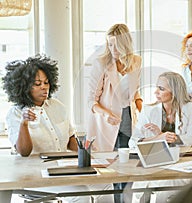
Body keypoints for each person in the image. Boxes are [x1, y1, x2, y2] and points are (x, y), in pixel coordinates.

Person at [3, 54, 113, 203]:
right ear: (23, 86)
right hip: (36, 175)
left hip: (64, 169)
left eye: (46, 82)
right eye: (37, 84)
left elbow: (70, 141)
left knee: (106, 184)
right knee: (81, 195)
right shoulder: (15, 113)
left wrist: (88, 152)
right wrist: (24, 123)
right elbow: (24, 151)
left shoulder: (58, 106)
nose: (44, 87)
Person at [86, 23, 142, 203]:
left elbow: (136, 93)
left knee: (127, 169)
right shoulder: (101, 63)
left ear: (125, 44)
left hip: (128, 118)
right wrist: (105, 114)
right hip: (106, 123)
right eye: (109, 44)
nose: (113, 49)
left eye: (116, 45)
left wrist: (144, 108)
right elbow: (91, 101)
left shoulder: (136, 61)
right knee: (108, 170)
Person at [128, 72, 192, 203]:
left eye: (161, 89)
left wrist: (172, 138)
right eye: (157, 87)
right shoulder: (148, 110)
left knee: (180, 183)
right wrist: (159, 137)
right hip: (154, 161)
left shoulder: (187, 108)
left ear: (175, 92)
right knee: (167, 185)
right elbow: (132, 142)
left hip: (179, 162)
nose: (156, 92)